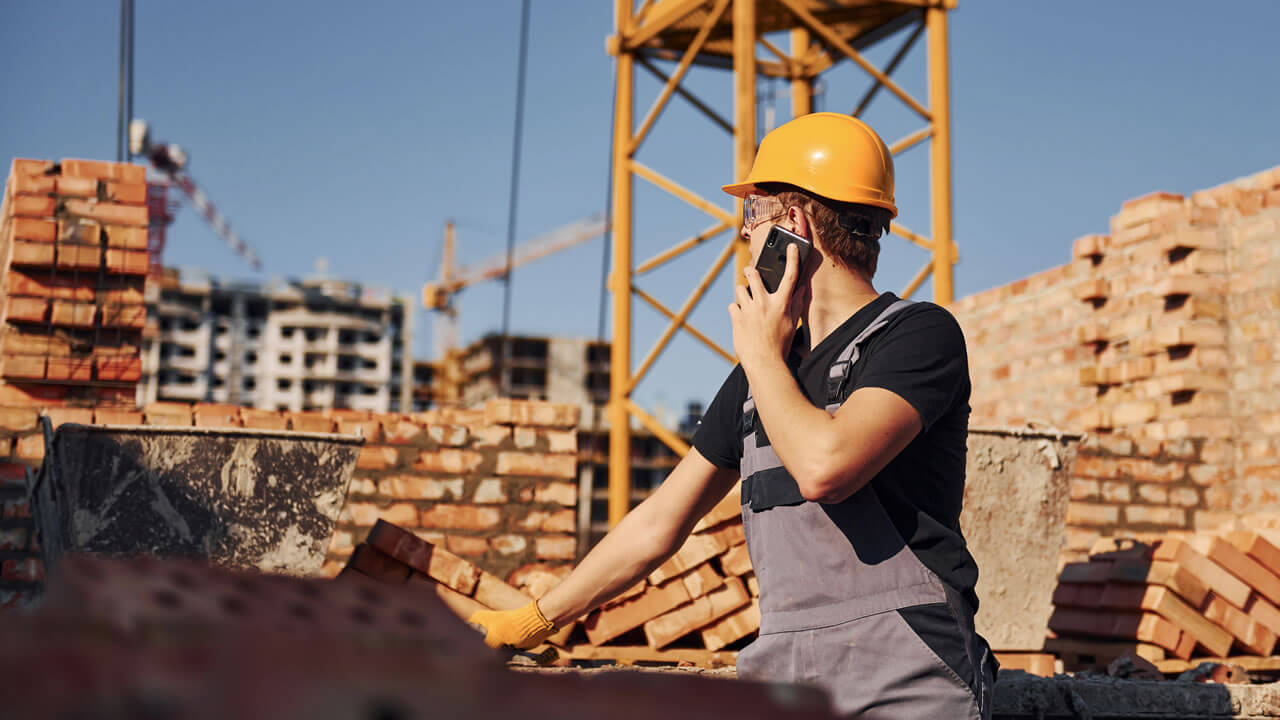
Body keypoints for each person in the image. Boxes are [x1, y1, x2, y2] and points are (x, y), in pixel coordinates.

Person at [470, 112, 996, 718]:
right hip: (787, 683)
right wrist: (534, 620)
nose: (744, 232)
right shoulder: (760, 377)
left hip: (909, 679)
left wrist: (760, 353)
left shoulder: (917, 335)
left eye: (753, 212)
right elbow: (658, 524)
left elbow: (826, 467)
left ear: (792, 226)